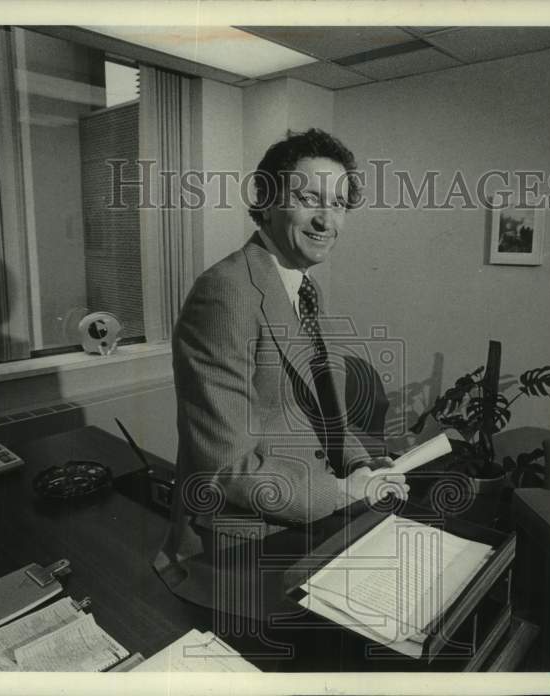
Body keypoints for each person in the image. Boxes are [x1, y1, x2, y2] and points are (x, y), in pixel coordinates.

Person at [155, 129, 406, 577]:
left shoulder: (305, 287)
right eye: (310, 199)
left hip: (305, 519)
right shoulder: (224, 293)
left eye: (340, 204)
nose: (327, 220)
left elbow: (325, 412)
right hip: (241, 543)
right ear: (267, 202)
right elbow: (225, 467)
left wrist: (362, 464)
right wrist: (347, 492)